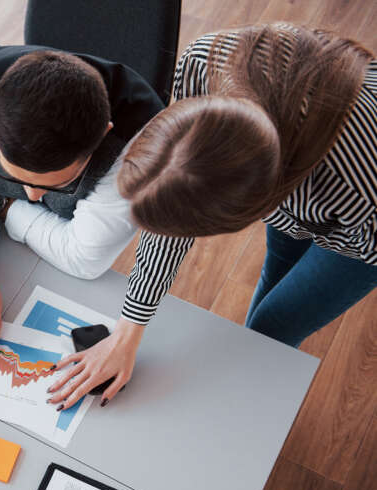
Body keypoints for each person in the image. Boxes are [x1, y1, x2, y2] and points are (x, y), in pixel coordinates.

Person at [48, 24, 377, 410]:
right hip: (302, 182)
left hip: (362, 235)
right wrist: (127, 331)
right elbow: (174, 201)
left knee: (274, 325)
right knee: (279, 265)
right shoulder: (204, 63)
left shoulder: (356, 185)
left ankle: (252, 385)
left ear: (244, 213)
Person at [0, 46, 164, 347]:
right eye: (13, 176)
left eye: (54, 183)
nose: (30, 195)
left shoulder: (139, 150)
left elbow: (83, 258)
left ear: (101, 136)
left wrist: (3, 204)